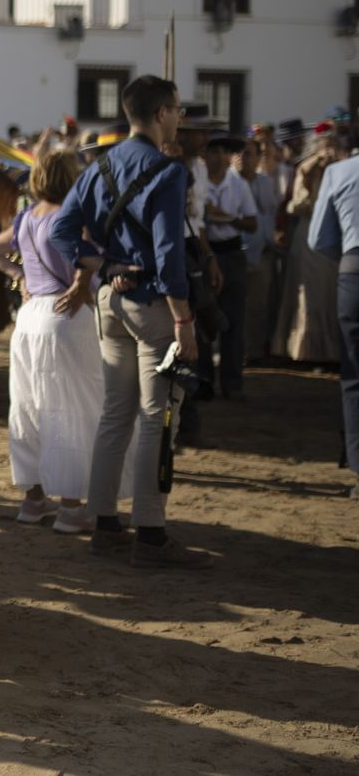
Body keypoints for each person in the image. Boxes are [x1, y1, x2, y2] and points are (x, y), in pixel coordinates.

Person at [51, 75, 212, 569]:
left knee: (116, 414)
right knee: (157, 418)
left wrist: (103, 265)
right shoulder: (168, 171)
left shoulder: (99, 165)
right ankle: (152, 534)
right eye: (178, 110)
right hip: (154, 304)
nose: (179, 119)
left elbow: (61, 231)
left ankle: (105, 524)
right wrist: (183, 319)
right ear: (162, 112)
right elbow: (168, 255)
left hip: (111, 301)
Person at [0, 149, 101, 533]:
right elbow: (89, 264)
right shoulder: (73, 217)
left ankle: (33, 501)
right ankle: (71, 507)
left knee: (29, 407)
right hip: (65, 315)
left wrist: (20, 276)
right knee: (69, 409)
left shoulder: (26, 217)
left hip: (29, 318)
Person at [272, 125, 347, 364]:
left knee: (329, 293)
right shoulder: (305, 169)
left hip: (334, 235)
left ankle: (330, 350)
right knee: (309, 294)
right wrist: (313, 168)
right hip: (309, 234)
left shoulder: (342, 170)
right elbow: (295, 204)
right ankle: (306, 350)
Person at [309, 147, 359, 495]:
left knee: (354, 376)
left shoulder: (339, 172)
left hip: (353, 274)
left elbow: (318, 239)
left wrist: (347, 258)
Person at [198, 133, 257, 398]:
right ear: (206, 155)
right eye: (215, 151)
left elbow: (252, 223)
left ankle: (232, 383)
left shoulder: (239, 185)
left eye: (224, 152)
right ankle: (203, 381)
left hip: (232, 253)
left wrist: (228, 218)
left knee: (234, 321)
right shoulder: (197, 182)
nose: (220, 157)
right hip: (205, 252)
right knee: (203, 319)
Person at [236, 138, 280, 362]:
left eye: (248, 153)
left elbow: (272, 212)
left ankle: (254, 353)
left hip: (262, 253)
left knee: (258, 307)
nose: (242, 158)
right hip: (236, 254)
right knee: (234, 307)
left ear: (257, 158)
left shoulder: (266, 182)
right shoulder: (229, 182)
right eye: (239, 153)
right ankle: (233, 352)